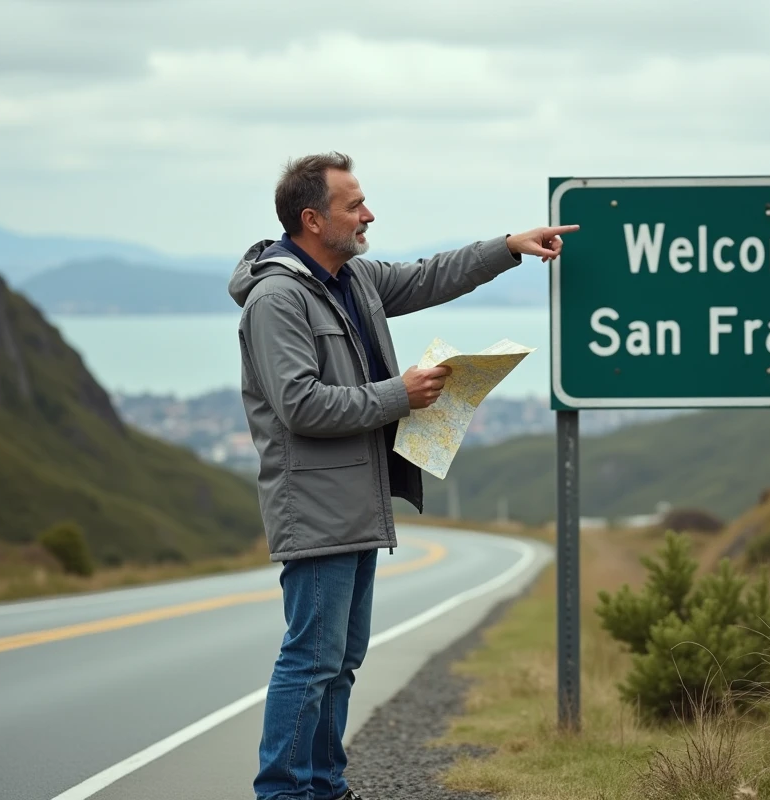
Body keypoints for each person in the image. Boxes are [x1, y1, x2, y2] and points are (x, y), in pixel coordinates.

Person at [228, 151, 576, 800]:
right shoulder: (277, 300)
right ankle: (284, 793)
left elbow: (428, 276)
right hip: (315, 508)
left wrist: (508, 248)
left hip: (357, 506)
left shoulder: (351, 278)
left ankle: (326, 787)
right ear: (311, 219)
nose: (368, 213)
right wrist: (400, 394)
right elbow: (300, 405)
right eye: (353, 205)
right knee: (310, 662)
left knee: (340, 662)